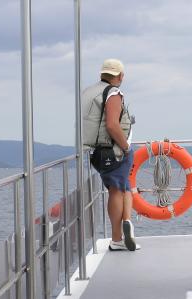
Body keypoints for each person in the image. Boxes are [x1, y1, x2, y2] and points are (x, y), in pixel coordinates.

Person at [82, 58, 140, 251]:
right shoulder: (113, 93)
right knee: (118, 190)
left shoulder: (89, 92)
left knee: (121, 188)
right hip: (113, 151)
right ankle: (118, 237)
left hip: (97, 152)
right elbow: (112, 125)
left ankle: (126, 225)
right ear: (120, 76)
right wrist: (125, 147)